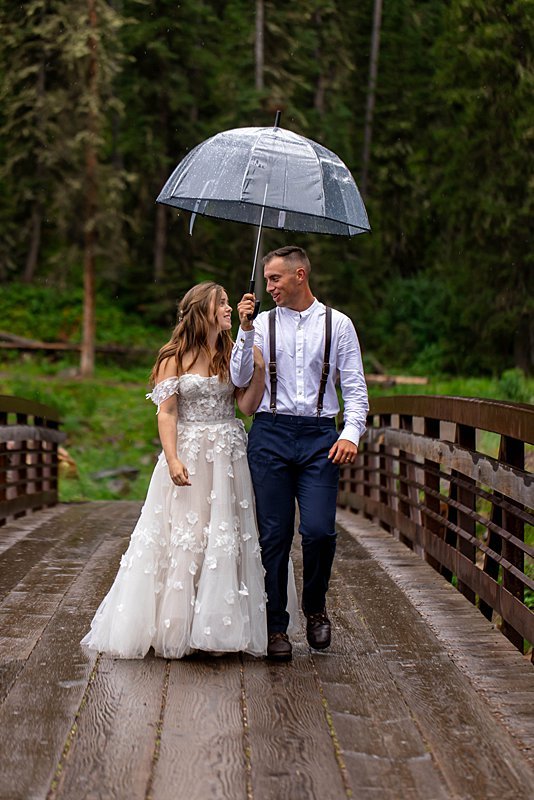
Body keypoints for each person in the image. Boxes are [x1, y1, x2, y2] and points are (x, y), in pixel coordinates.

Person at [81, 281, 276, 659]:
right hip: (188, 450)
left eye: (227, 303)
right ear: (202, 310)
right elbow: (167, 412)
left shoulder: (232, 352)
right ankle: (176, 627)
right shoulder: (174, 356)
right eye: (220, 303)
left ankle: (217, 627)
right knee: (185, 533)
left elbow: (247, 407)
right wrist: (171, 458)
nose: (227, 309)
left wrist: (260, 371)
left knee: (223, 534)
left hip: (228, 455)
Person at [231, 245, 369, 662]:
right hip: (270, 433)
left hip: (319, 437)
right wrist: (245, 330)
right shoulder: (261, 324)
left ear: (300, 276)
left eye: (275, 278)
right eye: (267, 278)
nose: (268, 286)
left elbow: (356, 389)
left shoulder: (338, 325)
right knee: (273, 535)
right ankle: (276, 626)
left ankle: (315, 607)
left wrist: (351, 433)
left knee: (319, 531)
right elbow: (238, 379)